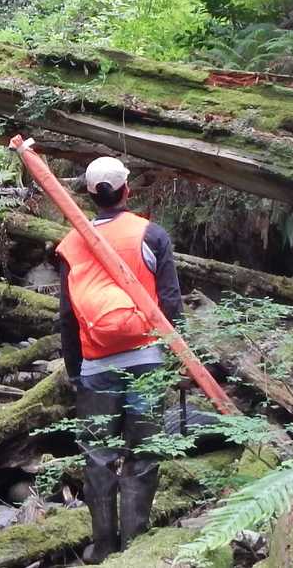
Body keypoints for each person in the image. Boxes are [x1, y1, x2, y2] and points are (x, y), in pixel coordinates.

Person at [52, 156, 182, 563]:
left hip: (95, 365)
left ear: (90, 195)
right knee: (143, 454)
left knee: (98, 454)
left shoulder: (71, 244)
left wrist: (76, 371)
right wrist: (176, 358)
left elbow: (68, 316)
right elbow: (172, 304)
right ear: (127, 190)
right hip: (147, 359)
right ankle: (135, 545)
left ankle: (103, 545)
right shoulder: (151, 234)